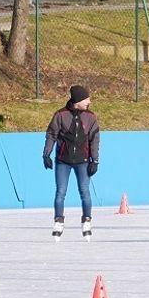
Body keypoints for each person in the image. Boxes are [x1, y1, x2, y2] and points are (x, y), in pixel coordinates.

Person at [42, 84, 100, 242]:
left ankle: (86, 220)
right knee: (60, 192)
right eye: (86, 99)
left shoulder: (90, 117)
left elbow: (94, 139)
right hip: (63, 161)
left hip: (83, 161)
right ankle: (58, 221)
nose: (89, 102)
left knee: (84, 191)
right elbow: (51, 135)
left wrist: (95, 160)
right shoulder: (60, 115)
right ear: (78, 101)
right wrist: (46, 154)